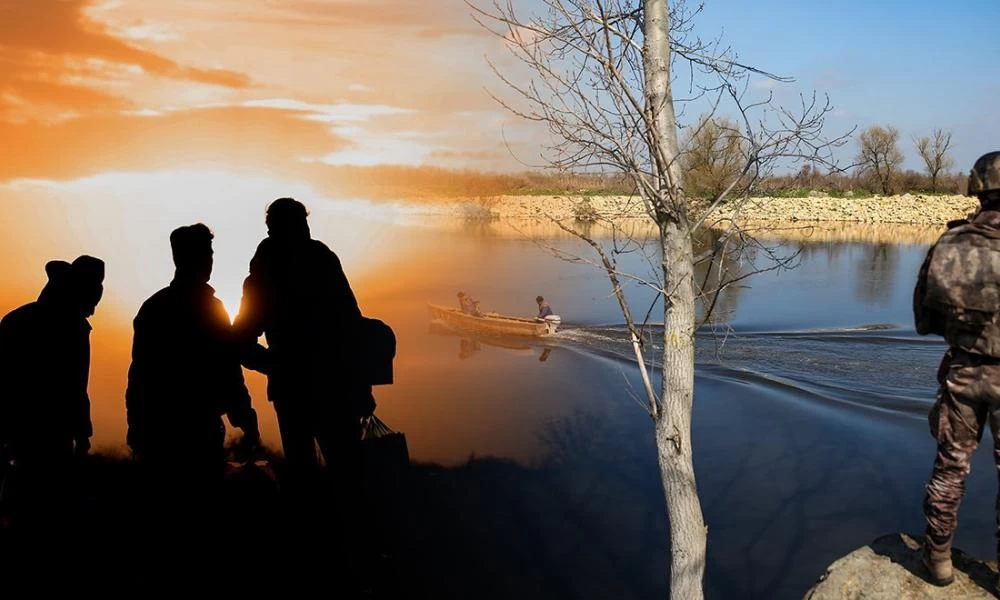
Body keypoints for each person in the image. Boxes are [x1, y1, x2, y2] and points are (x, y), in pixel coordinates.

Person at [233, 198, 373, 487]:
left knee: (306, 475)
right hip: (332, 384)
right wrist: (362, 384)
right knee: (345, 473)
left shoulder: (265, 273)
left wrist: (276, 366)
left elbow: (241, 340)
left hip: (299, 390)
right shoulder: (320, 261)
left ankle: (313, 524)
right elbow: (351, 324)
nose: (305, 231)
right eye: (301, 225)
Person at [914, 151, 1000, 591]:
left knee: (950, 467)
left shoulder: (951, 243)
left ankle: (940, 558)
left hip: (964, 373)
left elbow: (923, 319)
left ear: (976, 189)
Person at [126, 224, 259, 485]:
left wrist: (136, 425)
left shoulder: (153, 308)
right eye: (206, 252)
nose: (210, 259)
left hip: (158, 430)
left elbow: (139, 375)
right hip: (198, 429)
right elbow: (229, 369)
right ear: (188, 258)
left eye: (210, 252)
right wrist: (245, 417)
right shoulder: (211, 309)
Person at [0, 255, 104, 531]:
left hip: (27, 435)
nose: (93, 309)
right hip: (42, 436)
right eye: (92, 299)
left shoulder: (17, 320)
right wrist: (82, 433)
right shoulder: (71, 329)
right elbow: (73, 386)